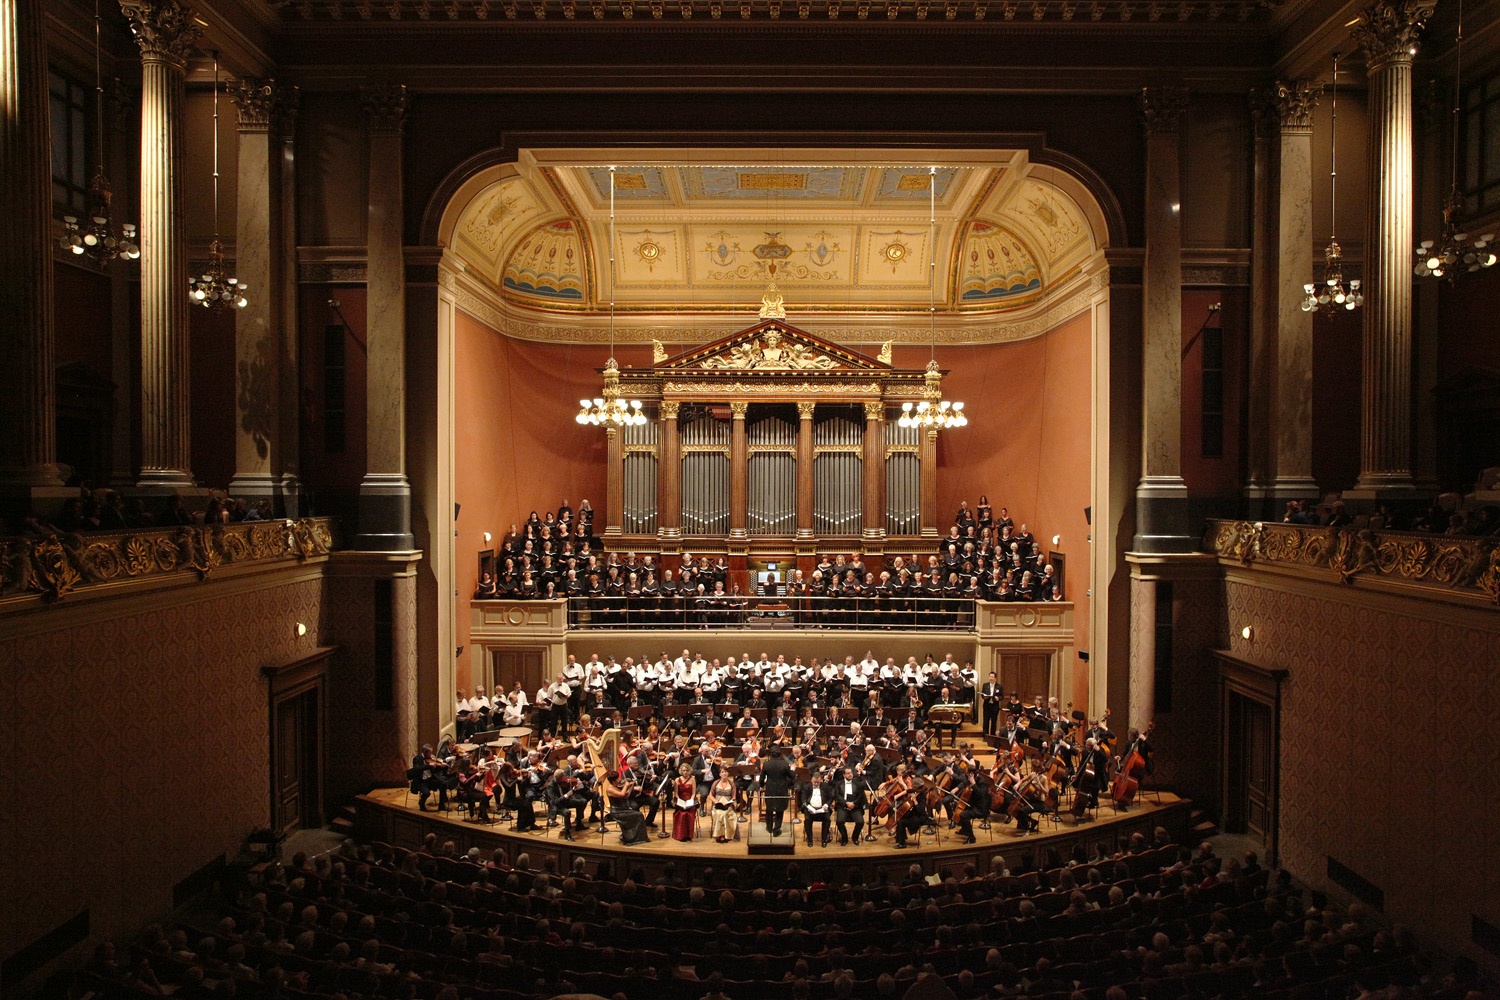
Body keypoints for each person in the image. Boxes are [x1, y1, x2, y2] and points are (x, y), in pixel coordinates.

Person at [604, 769, 648, 845]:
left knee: (638, 815)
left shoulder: (616, 786)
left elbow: (626, 795)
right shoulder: (610, 789)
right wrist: (626, 785)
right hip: (617, 812)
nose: (619, 779)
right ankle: (634, 838)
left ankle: (634, 837)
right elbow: (621, 794)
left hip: (623, 809)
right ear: (613, 781)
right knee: (639, 815)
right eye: (617, 778)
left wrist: (631, 786)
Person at [759, 746, 794, 837]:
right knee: (780, 809)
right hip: (781, 789)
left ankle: (769, 827)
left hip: (770, 789)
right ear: (779, 754)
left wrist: (761, 786)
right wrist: (792, 769)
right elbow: (791, 776)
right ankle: (777, 830)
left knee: (769, 808)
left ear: (770, 754)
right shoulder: (785, 764)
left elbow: (762, 778)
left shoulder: (766, 764)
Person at [832, 766, 868, 846]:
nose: (850, 775)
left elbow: (861, 796)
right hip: (843, 806)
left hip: (855, 807)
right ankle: (844, 838)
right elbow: (837, 796)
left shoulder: (857, 783)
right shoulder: (838, 784)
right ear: (844, 775)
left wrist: (854, 804)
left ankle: (855, 837)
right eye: (848, 773)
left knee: (860, 822)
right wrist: (846, 803)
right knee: (839, 822)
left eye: (851, 773)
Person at [799, 772, 832, 847]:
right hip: (810, 809)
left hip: (822, 809)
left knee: (827, 819)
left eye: (818, 782)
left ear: (821, 780)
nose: (816, 784)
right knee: (807, 820)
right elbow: (803, 800)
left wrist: (826, 805)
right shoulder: (806, 787)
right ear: (811, 780)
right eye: (815, 782)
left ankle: (824, 840)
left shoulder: (825, 786)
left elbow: (830, 797)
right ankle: (810, 840)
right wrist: (809, 807)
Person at [671, 764, 698, 842]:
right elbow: (676, 793)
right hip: (680, 801)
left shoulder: (692, 780)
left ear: (689, 771)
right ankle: (681, 835)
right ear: (681, 771)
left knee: (689, 814)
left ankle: (688, 835)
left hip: (689, 801)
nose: (685, 772)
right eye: (683, 770)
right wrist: (680, 801)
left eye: (686, 770)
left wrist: (690, 801)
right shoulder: (677, 780)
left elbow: (693, 793)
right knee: (682, 814)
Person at [710, 772, 737, 843]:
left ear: (728, 773)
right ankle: (719, 835)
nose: (724, 774)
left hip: (728, 805)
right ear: (719, 774)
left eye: (726, 772)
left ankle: (726, 835)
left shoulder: (732, 783)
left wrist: (731, 802)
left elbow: (734, 797)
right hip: (718, 805)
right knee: (719, 814)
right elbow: (711, 795)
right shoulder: (715, 783)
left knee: (725, 814)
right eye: (722, 772)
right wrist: (716, 802)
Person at [980, 671, 1002, 737]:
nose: (991, 678)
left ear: (995, 678)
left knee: (994, 721)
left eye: (992, 677)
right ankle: (985, 736)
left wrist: (998, 698)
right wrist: (984, 697)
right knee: (986, 721)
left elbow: (1001, 696)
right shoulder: (985, 685)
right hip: (987, 705)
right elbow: (982, 694)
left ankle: (992, 736)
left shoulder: (999, 686)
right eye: (990, 677)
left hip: (995, 706)